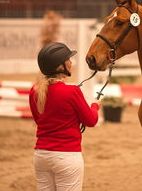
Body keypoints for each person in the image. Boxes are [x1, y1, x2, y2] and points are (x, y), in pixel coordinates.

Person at [29, 42, 101, 191]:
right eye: (68, 60)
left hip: (41, 155)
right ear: (60, 66)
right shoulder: (72, 91)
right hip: (66, 156)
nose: (71, 63)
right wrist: (95, 106)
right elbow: (91, 120)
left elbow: (40, 121)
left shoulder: (34, 91)